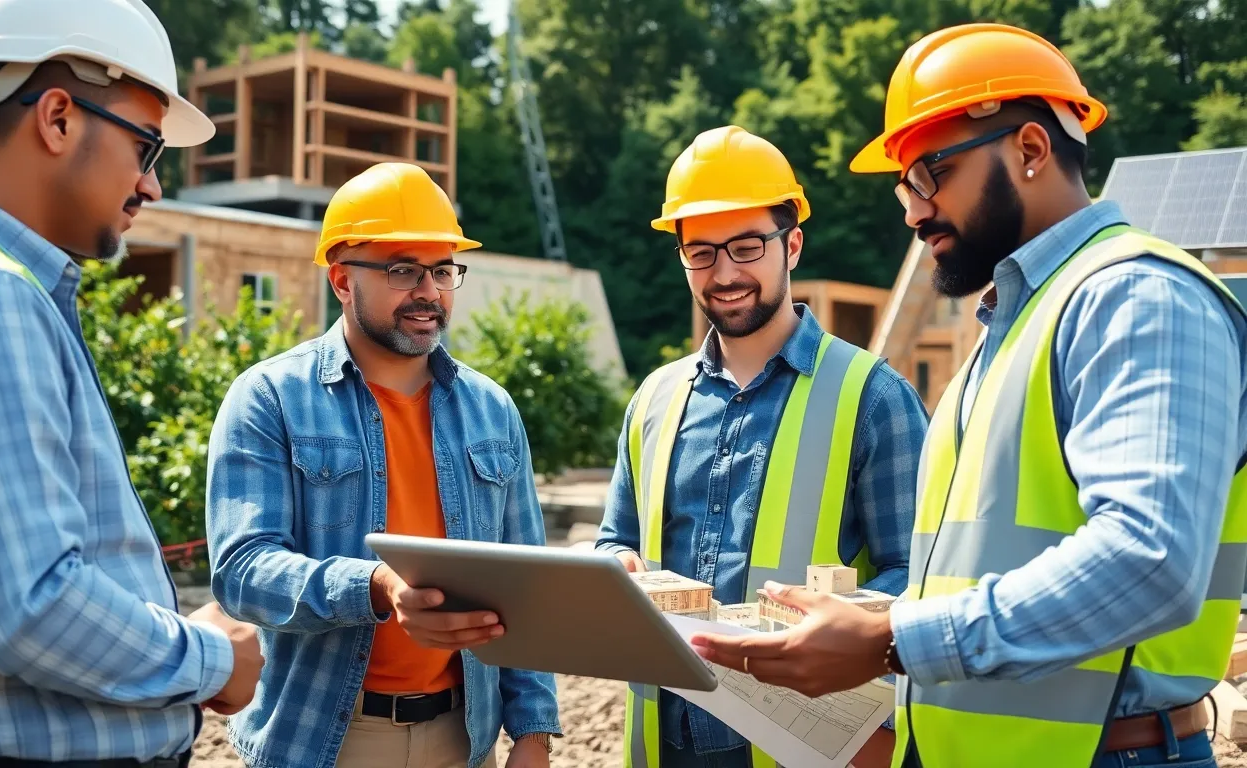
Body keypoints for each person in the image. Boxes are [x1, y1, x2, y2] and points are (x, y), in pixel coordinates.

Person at [689, 22, 1247, 768]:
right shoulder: (1012, 328)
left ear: (1029, 149)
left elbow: (1149, 560)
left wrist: (891, 642)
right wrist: (876, 620)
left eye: (930, 175)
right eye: (903, 188)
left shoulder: (1138, 299)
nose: (914, 212)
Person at [0, 0, 266, 765]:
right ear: (60, 118)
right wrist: (212, 659)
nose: (151, 186)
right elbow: (32, 607)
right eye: (147, 148)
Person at [205, 162, 562, 768]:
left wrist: (532, 732)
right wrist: (373, 586)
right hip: (321, 740)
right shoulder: (269, 398)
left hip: (460, 736)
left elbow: (525, 582)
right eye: (403, 269)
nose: (429, 290)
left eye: (444, 270)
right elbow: (243, 571)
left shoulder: (492, 410)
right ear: (342, 279)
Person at [596, 125, 927, 768]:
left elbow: (920, 574)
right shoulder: (655, 400)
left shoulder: (872, 396)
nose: (725, 273)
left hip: (810, 745)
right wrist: (620, 568)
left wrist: (837, 627)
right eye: (702, 253)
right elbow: (616, 540)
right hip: (668, 741)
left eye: (747, 246)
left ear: (792, 245)